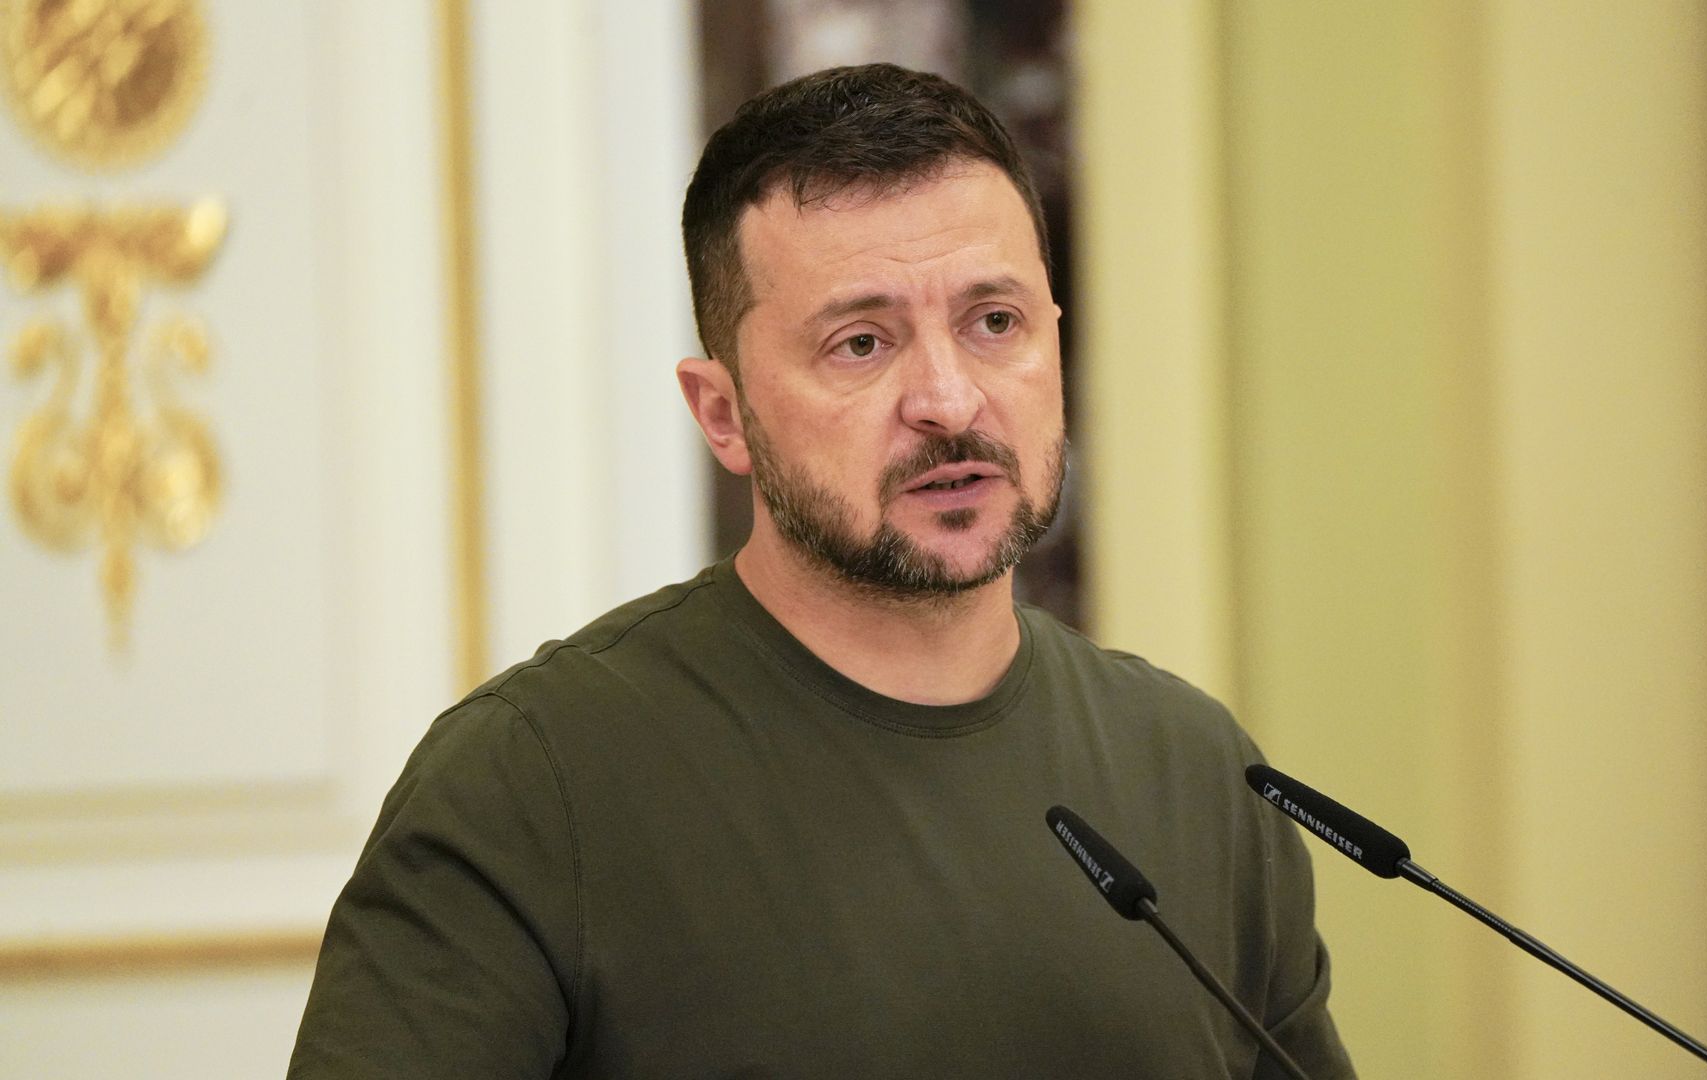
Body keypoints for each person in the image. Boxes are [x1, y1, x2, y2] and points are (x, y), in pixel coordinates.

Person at [287, 63, 1354, 1079]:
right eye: (861, 343)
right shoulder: (529, 783)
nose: (948, 399)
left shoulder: (1201, 773)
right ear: (723, 414)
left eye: (995, 324)